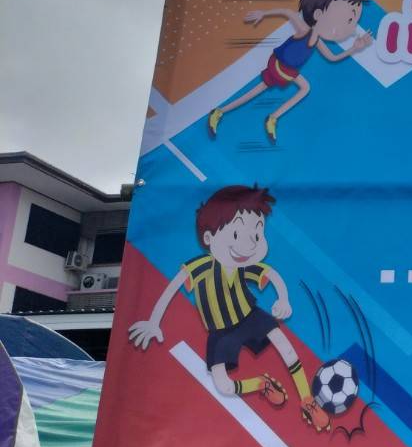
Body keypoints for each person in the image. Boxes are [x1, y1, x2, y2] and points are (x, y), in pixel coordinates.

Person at [127, 184, 330, 431]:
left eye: (257, 235)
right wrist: (154, 321)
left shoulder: (243, 266)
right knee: (223, 385)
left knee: (283, 344)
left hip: (249, 316)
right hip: (221, 332)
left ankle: (307, 400)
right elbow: (174, 285)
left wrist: (283, 298)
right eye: (236, 235)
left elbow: (270, 274)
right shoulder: (202, 266)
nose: (250, 245)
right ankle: (260, 384)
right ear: (209, 238)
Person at [207, 0, 372, 143]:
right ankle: (266, 117)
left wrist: (354, 48)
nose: (349, 28)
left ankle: (228, 112)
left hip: (286, 69)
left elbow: (332, 57)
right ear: (318, 14)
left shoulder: (317, 41)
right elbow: (288, 12)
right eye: (345, 20)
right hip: (280, 65)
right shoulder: (305, 31)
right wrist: (263, 13)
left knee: (267, 89)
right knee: (298, 88)